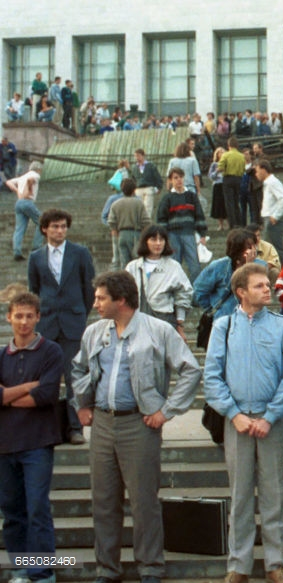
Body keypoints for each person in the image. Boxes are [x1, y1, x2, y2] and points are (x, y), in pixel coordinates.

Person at [71, 271, 201, 583]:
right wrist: (83, 404)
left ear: (121, 300)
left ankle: (150, 568)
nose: (96, 303)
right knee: (103, 501)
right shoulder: (94, 332)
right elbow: (78, 367)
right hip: (102, 423)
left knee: (144, 502)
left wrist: (166, 411)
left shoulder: (158, 330)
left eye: (102, 298)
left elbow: (190, 369)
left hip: (138, 424)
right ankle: (107, 569)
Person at [203, 263, 283, 583]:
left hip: (271, 424)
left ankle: (274, 563)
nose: (267, 289)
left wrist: (270, 417)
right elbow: (212, 377)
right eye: (259, 286)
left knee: (273, 494)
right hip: (238, 423)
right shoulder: (224, 327)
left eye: (267, 284)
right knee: (240, 495)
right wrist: (234, 414)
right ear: (240, 292)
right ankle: (239, 565)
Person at [0, 291, 64, 583]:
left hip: (37, 443)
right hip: (4, 444)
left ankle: (41, 573)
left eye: (29, 316)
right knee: (12, 512)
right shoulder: (1, 355)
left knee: (37, 508)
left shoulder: (51, 351)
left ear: (38, 317)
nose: (23, 322)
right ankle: (22, 568)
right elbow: (34, 391)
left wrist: (7, 397)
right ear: (8, 317)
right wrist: (29, 387)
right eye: (18, 316)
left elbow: (47, 394)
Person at [28, 209, 95, 446]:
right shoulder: (36, 257)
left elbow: (89, 289)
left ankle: (75, 428)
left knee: (74, 377)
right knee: (49, 379)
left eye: (64, 226)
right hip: (47, 323)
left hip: (72, 323)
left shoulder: (80, 253)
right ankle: (51, 429)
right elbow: (34, 290)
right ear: (45, 229)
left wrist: (79, 314)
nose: (60, 230)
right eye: (55, 226)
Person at [125, 225, 194, 340]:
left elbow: (184, 294)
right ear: (145, 241)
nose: (158, 243)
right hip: (137, 320)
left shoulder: (173, 267)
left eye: (161, 239)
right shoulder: (133, 267)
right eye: (153, 239)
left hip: (164, 320)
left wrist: (180, 323)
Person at [194, 228, 263, 321]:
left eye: (254, 246)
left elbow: (259, 291)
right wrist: (214, 309)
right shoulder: (219, 266)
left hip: (253, 319)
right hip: (225, 319)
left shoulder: (261, 266)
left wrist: (249, 267)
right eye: (249, 247)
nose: (253, 250)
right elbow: (199, 290)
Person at [156, 168, 207, 283]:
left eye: (181, 177)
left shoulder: (191, 196)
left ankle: (195, 293)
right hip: (172, 235)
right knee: (174, 265)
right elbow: (161, 219)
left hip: (189, 233)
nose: (179, 180)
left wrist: (202, 234)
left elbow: (199, 215)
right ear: (170, 180)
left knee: (195, 266)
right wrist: (163, 237)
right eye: (175, 178)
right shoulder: (167, 198)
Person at [8, 161, 45, 260]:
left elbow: (9, 182)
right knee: (42, 222)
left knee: (19, 228)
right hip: (27, 202)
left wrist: (17, 192)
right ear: (38, 169)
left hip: (19, 203)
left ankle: (17, 251)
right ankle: (36, 247)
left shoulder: (22, 177)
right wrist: (29, 191)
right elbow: (31, 179)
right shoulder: (35, 175)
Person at [255, 158, 283, 259]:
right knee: (270, 247)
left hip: (273, 220)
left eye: (257, 171)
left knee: (275, 248)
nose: (256, 174)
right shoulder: (268, 183)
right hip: (268, 218)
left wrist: (275, 216)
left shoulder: (272, 182)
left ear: (263, 170)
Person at [219, 138, 247, 229]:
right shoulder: (241, 156)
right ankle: (239, 222)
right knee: (236, 201)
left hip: (228, 178)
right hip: (238, 178)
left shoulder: (226, 155)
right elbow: (243, 169)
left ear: (228, 145)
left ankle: (232, 224)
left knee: (229, 202)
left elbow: (220, 167)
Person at [130, 149, 164, 220]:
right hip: (138, 189)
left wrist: (159, 187)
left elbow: (157, 177)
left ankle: (147, 223)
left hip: (149, 188)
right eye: (135, 156)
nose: (137, 158)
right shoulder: (134, 168)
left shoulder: (151, 166)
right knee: (139, 207)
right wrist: (132, 189)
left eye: (138, 156)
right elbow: (133, 179)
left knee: (148, 207)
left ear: (143, 156)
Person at [209, 148, 229, 231]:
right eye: (219, 152)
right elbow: (211, 176)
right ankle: (220, 225)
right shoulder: (214, 164)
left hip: (226, 184)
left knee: (226, 204)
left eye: (223, 152)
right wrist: (217, 171)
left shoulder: (228, 163)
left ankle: (229, 223)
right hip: (217, 185)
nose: (221, 154)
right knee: (218, 205)